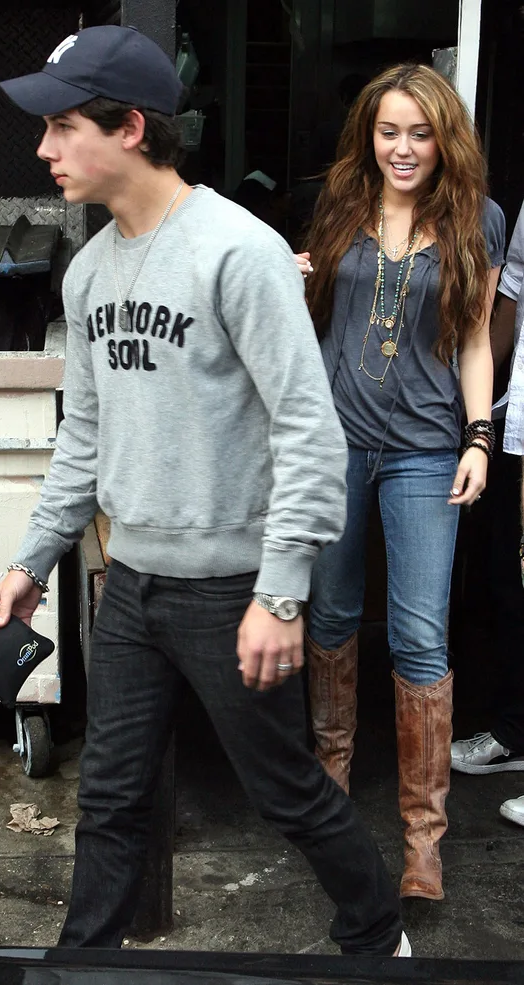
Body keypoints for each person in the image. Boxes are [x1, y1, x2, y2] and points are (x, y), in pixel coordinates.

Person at [0, 26, 408, 957]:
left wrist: (280, 592)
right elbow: (86, 437)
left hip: (232, 591)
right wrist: (33, 557)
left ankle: (379, 937)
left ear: (130, 127)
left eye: (62, 127)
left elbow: (309, 430)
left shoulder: (238, 251)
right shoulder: (92, 272)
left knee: (285, 792)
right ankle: (82, 964)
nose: (44, 150)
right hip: (132, 585)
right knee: (109, 797)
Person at [294, 64, 505, 901]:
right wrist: (294, 270)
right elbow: (312, 312)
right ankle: (331, 794)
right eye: (389, 131)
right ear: (368, 135)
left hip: (423, 449)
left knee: (420, 637)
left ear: (444, 137)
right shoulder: (343, 201)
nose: (404, 148)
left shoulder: (475, 218)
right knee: (333, 615)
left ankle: (425, 841)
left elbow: (478, 340)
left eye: (420, 132)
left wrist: (479, 438)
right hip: (335, 443)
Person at [451, 199, 524, 824]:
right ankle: (513, 731)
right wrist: (478, 406)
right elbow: (507, 307)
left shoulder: (489, 214)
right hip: (516, 423)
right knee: (509, 583)